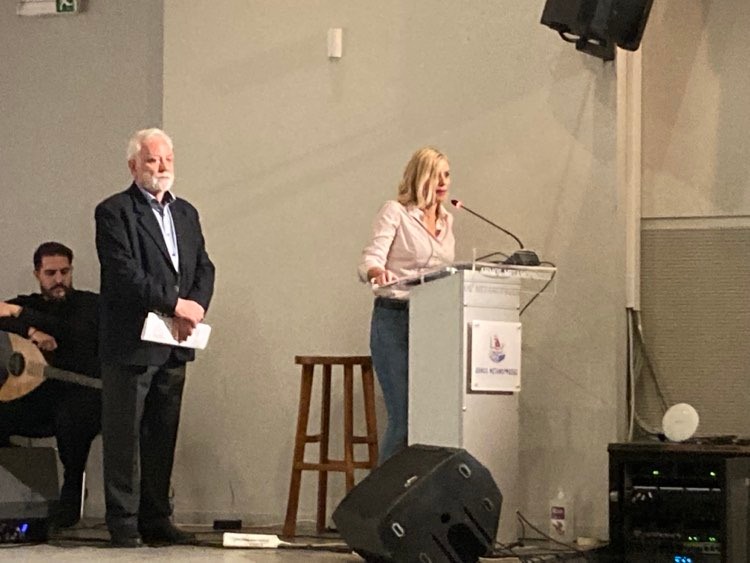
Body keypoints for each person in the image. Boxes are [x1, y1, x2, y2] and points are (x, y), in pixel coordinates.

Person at [94, 128, 215, 548]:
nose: (161, 167)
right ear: (133, 166)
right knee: (124, 437)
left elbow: (204, 267)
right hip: (132, 342)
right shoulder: (114, 212)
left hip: (175, 341)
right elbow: (124, 273)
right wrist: (175, 304)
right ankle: (123, 521)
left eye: (167, 159)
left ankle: (156, 518)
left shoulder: (187, 213)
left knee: (162, 434)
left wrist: (196, 306)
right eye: (152, 160)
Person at [358, 147, 455, 464]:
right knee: (403, 419)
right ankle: (384, 494)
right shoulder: (396, 212)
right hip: (395, 320)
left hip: (434, 323)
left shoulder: (447, 220)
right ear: (420, 177)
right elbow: (371, 258)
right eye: (436, 175)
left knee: (430, 420)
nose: (443, 182)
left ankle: (419, 492)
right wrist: (376, 272)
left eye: (447, 175)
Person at [0, 241, 101, 528]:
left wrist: (19, 314)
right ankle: (18, 491)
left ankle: (70, 500)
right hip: (38, 396)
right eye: (50, 273)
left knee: (71, 418)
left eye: (64, 272)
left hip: (85, 394)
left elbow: (73, 331)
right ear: (37, 274)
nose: (59, 280)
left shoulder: (89, 304)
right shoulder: (29, 302)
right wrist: (31, 331)